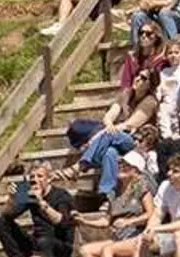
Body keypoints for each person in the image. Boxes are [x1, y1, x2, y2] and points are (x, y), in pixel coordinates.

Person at [57, 69, 159, 198]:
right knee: (109, 152)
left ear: (150, 84)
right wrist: (108, 124)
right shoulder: (127, 94)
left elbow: (130, 124)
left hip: (136, 142)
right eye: (137, 75)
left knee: (109, 134)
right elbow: (109, 116)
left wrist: (102, 133)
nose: (138, 79)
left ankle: (80, 166)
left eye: (143, 78)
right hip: (117, 139)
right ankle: (108, 195)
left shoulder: (150, 101)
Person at [76, 151, 156, 257]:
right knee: (84, 251)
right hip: (118, 239)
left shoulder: (142, 188)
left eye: (127, 166)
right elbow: (106, 220)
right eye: (121, 164)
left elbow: (151, 214)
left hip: (136, 237)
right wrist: (84, 220)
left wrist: (129, 222)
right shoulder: (115, 192)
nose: (121, 167)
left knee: (108, 250)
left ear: (136, 170)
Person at [0, 162, 76, 257]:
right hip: (38, 243)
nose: (35, 180)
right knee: (1, 222)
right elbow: (8, 215)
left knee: (44, 241)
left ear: (49, 179)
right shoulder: (29, 191)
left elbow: (62, 222)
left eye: (40, 176)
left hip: (60, 245)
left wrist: (41, 202)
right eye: (32, 177)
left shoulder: (62, 195)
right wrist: (11, 199)